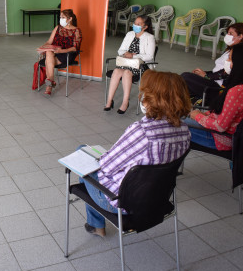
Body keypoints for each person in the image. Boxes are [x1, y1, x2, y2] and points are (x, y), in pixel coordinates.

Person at [81, 71, 191, 237]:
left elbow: (106, 166)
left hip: (122, 203)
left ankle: (96, 224)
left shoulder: (142, 131)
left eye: (145, 92)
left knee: (82, 154)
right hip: (157, 200)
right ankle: (95, 224)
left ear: (152, 98)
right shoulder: (185, 131)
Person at [185, 43, 243, 151]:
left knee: (174, 124)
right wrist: (205, 115)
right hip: (240, 137)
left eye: (230, 58)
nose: (226, 62)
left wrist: (197, 116)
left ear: (240, 63)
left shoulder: (236, 91)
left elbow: (220, 126)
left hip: (221, 138)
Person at [181, 23, 243, 105]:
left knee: (185, 77)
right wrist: (205, 73)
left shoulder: (240, 54)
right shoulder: (230, 50)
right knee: (186, 80)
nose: (227, 35)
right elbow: (221, 70)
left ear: (240, 36)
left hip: (218, 88)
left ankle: (193, 101)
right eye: (227, 33)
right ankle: (188, 100)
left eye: (231, 33)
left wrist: (206, 76)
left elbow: (228, 73)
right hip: (214, 80)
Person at [104, 15, 155, 113]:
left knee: (127, 73)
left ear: (145, 27)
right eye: (135, 23)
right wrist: (125, 53)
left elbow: (150, 56)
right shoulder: (130, 34)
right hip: (126, 62)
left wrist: (133, 56)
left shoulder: (150, 38)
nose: (135, 25)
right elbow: (120, 50)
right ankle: (109, 101)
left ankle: (125, 102)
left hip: (140, 65)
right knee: (116, 71)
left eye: (138, 24)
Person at [41, 9, 82, 96]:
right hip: (55, 52)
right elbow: (49, 42)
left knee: (47, 61)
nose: (61, 19)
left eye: (63, 17)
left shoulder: (76, 30)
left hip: (67, 54)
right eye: (60, 17)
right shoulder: (57, 28)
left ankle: (50, 83)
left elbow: (75, 48)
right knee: (48, 53)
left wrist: (61, 50)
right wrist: (43, 47)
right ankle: (51, 81)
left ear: (70, 19)